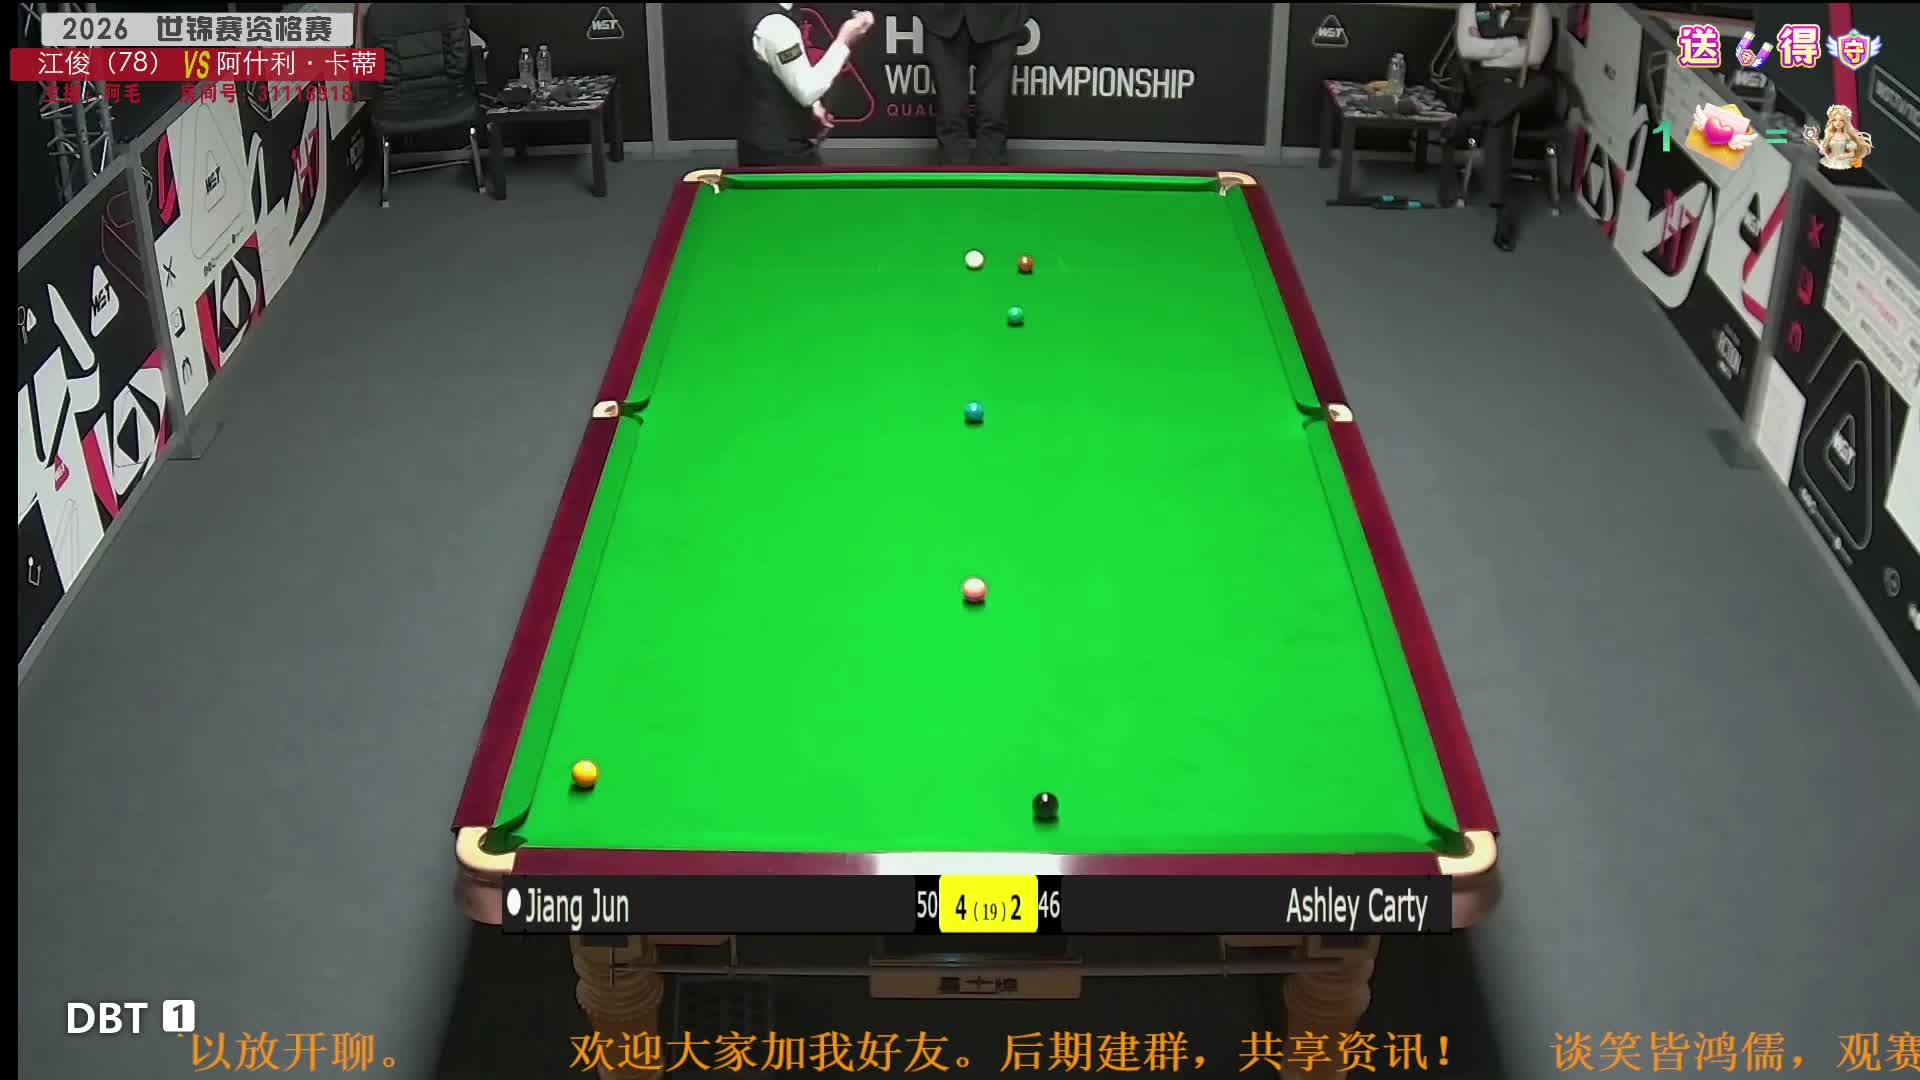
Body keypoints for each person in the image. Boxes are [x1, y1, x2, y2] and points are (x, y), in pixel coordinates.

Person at [1449, 2, 1554, 251]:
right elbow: (1466, 48)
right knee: (1500, 121)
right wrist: (1513, 43)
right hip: (1486, 82)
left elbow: (1535, 56)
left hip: (1524, 82)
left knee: (1545, 84)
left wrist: (1486, 50)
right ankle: (1502, 210)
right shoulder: (1471, 6)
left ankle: (1475, 117)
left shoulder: (1538, 9)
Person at [739, 4, 875, 167]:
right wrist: (844, 40)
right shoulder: (776, 24)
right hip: (778, 154)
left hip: (761, 145)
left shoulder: (766, 13)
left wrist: (813, 106)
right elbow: (807, 91)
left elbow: (775, 71)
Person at [919, 4, 1028, 165]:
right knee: (950, 117)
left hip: (1003, 16)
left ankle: (989, 179)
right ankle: (954, 178)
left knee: (994, 115)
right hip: (939, 15)